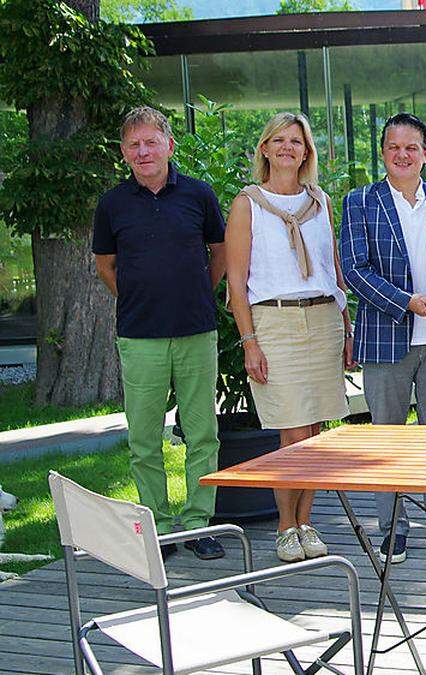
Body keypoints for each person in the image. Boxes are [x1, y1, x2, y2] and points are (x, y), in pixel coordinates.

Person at [92, 106, 227, 561]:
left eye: (151, 142)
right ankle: (158, 527)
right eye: (134, 145)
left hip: (195, 331)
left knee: (202, 433)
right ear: (124, 153)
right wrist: (138, 296)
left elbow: (220, 252)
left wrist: (197, 293)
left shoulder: (198, 195)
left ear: (169, 145)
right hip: (140, 335)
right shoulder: (112, 204)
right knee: (144, 438)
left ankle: (197, 522)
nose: (143, 151)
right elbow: (106, 266)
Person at [340, 112, 426, 561]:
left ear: (425, 154)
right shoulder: (360, 201)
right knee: (387, 441)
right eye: (393, 147)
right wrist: (405, 302)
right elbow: (355, 270)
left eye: (411, 147)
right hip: (386, 337)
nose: (402, 155)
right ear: (382, 153)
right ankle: (392, 528)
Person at [224, 112, 354, 562]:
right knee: (293, 432)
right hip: (274, 324)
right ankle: (285, 526)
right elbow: (236, 282)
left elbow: (331, 269)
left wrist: (346, 327)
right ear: (264, 149)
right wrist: (249, 342)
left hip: (322, 320)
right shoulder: (248, 203)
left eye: (295, 141)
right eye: (277, 140)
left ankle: (307, 522)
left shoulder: (319, 202)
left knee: (316, 430)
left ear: (306, 151)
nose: (286, 148)